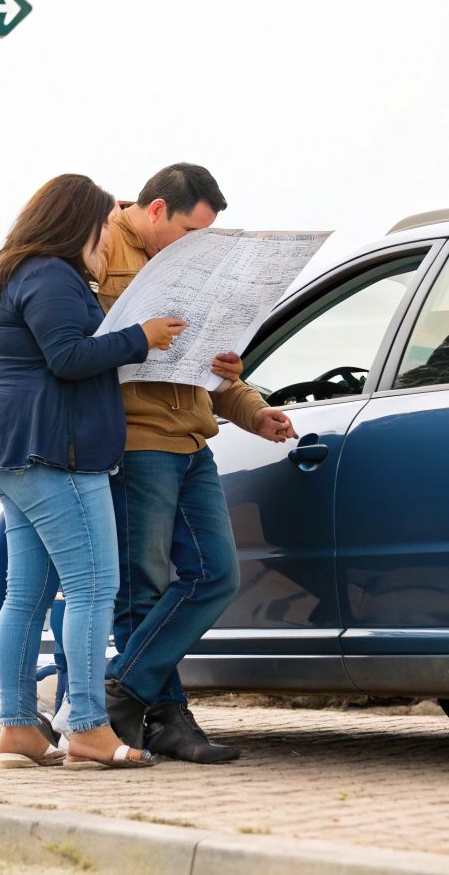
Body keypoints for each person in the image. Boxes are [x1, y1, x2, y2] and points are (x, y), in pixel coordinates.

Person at [0, 173, 181, 770]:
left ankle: (19, 729)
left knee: (27, 595)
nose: (108, 237)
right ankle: (85, 727)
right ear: (77, 224)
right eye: (102, 225)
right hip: (52, 452)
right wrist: (143, 336)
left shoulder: (23, 273)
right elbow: (68, 357)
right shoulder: (51, 275)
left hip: (21, 449)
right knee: (92, 587)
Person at [94, 163, 298, 763]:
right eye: (189, 232)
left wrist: (250, 406)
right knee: (144, 587)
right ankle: (168, 722)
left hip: (190, 438)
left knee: (215, 575)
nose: (195, 247)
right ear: (155, 210)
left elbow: (206, 362)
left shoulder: (193, 261)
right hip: (137, 440)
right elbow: (79, 348)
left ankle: (120, 696)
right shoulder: (100, 248)